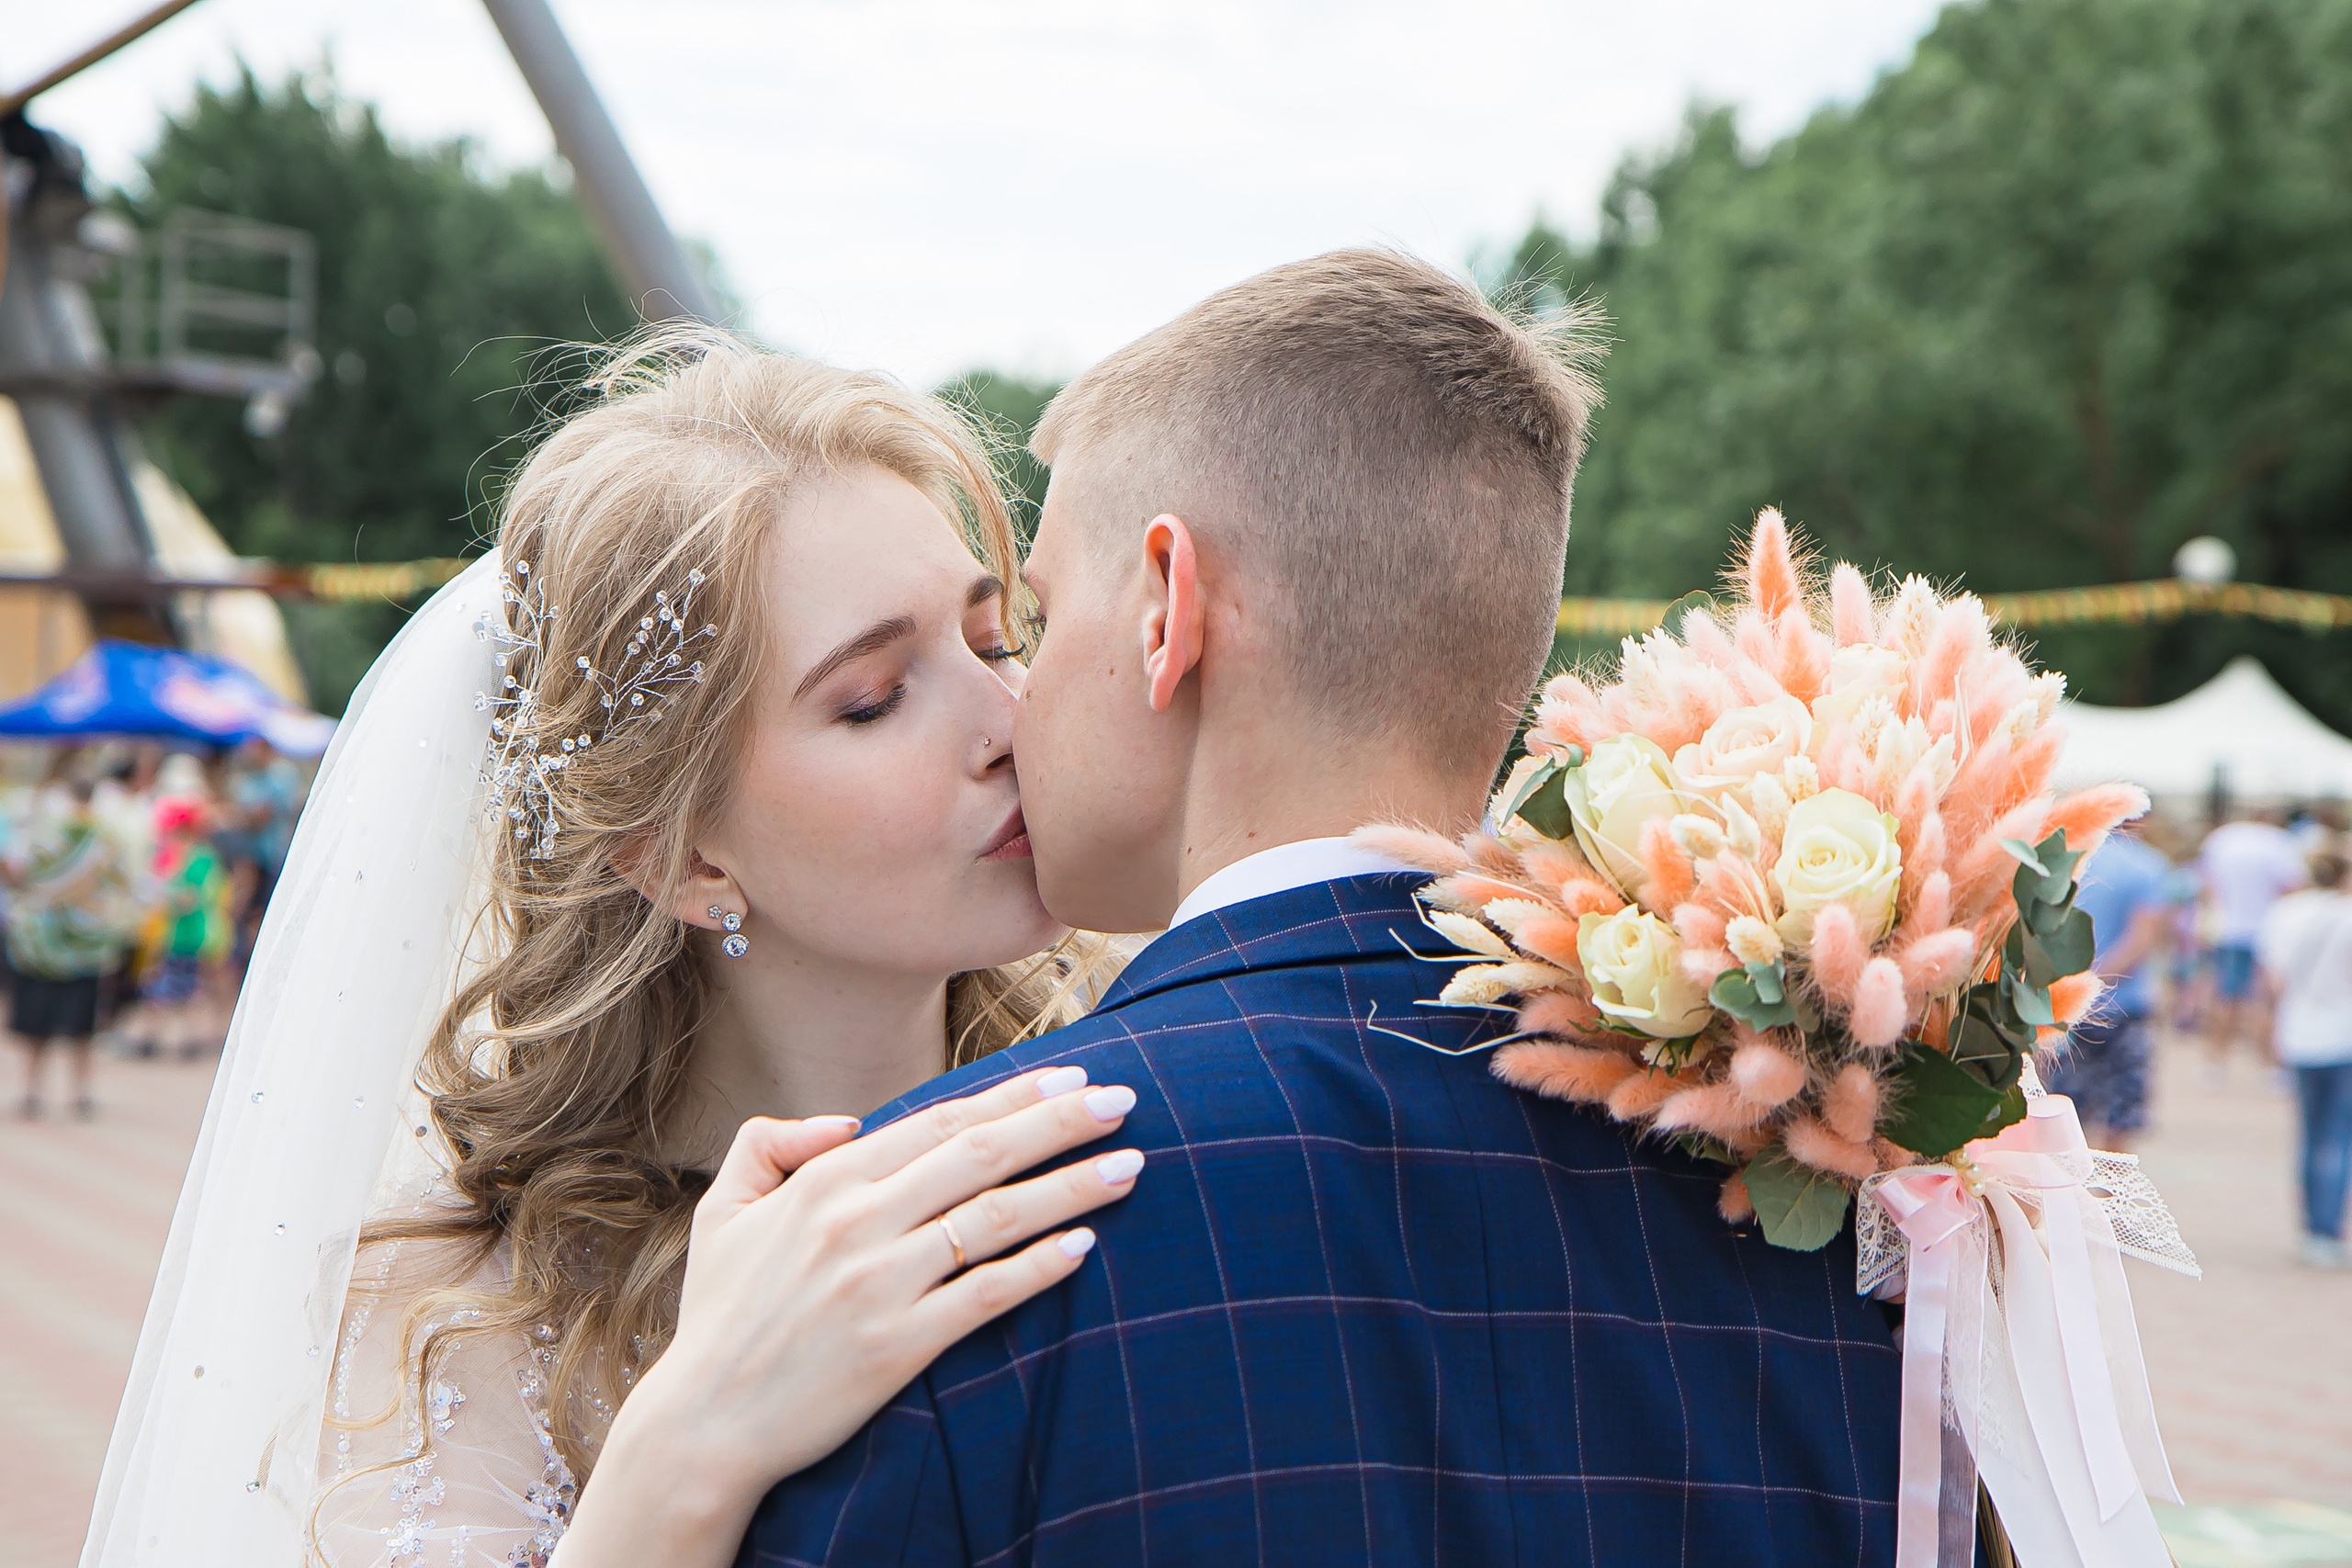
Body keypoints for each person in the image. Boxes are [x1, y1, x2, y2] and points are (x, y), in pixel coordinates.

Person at [741, 250, 1902, 1564]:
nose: (1015, 710)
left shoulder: (935, 1228)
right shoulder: (1837, 1186)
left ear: (1166, 610)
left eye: (1039, 620)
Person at [85, 337, 1151, 1566]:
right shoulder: (463, 1314)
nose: (1009, 720)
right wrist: (694, 1437)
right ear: (682, 855)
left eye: (997, 639)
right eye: (872, 696)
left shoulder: (1131, 1127)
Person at [3, 778, 136, 1118]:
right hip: (85, 947)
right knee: (81, 1027)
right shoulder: (106, 838)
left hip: (41, 946)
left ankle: (33, 1092)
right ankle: (80, 1093)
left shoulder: (44, 833)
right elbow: (124, 882)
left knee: (38, 1026)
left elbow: (18, 876)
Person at [2045, 821, 2181, 1150]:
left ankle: (2069, 1180)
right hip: (2126, 1004)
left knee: (2066, 1113)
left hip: (2066, 1003)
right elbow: (2143, 939)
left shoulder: (2064, 860)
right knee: (2120, 1115)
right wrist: (2098, 980)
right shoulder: (2148, 865)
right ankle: (2109, 1182)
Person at [2256, 841, 2352, 1269]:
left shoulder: (2285, 913)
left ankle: (2310, 1227)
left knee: (2310, 1133)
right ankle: (2327, 1230)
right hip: (2343, 1036)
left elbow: (2272, 982)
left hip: (2298, 1034)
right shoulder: (2346, 915)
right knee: (2338, 1135)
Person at [2197, 808, 2307, 1076]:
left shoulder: (2222, 839)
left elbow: (2207, 885)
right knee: (2266, 1001)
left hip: (2229, 929)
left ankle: (2215, 1061)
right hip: (2267, 931)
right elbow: (2293, 887)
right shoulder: (2279, 842)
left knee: (2226, 996)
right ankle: (2269, 1065)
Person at [143, 795, 232, 1060]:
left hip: (195, 933)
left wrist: (167, 893)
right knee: (173, 986)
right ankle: (167, 1037)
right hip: (176, 933)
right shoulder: (179, 855)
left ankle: (187, 1037)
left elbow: (195, 897)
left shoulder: (200, 857)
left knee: (189, 987)